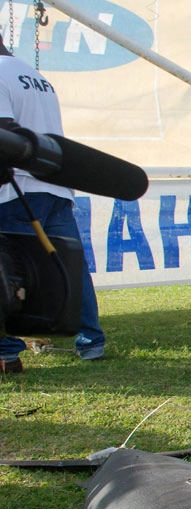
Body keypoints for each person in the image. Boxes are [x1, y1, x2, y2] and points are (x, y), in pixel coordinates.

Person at [0, 37, 106, 371]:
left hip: (16, 186)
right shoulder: (34, 75)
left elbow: (5, 133)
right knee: (69, 268)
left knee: (9, 270)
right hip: (55, 185)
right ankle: (91, 342)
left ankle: (7, 350)